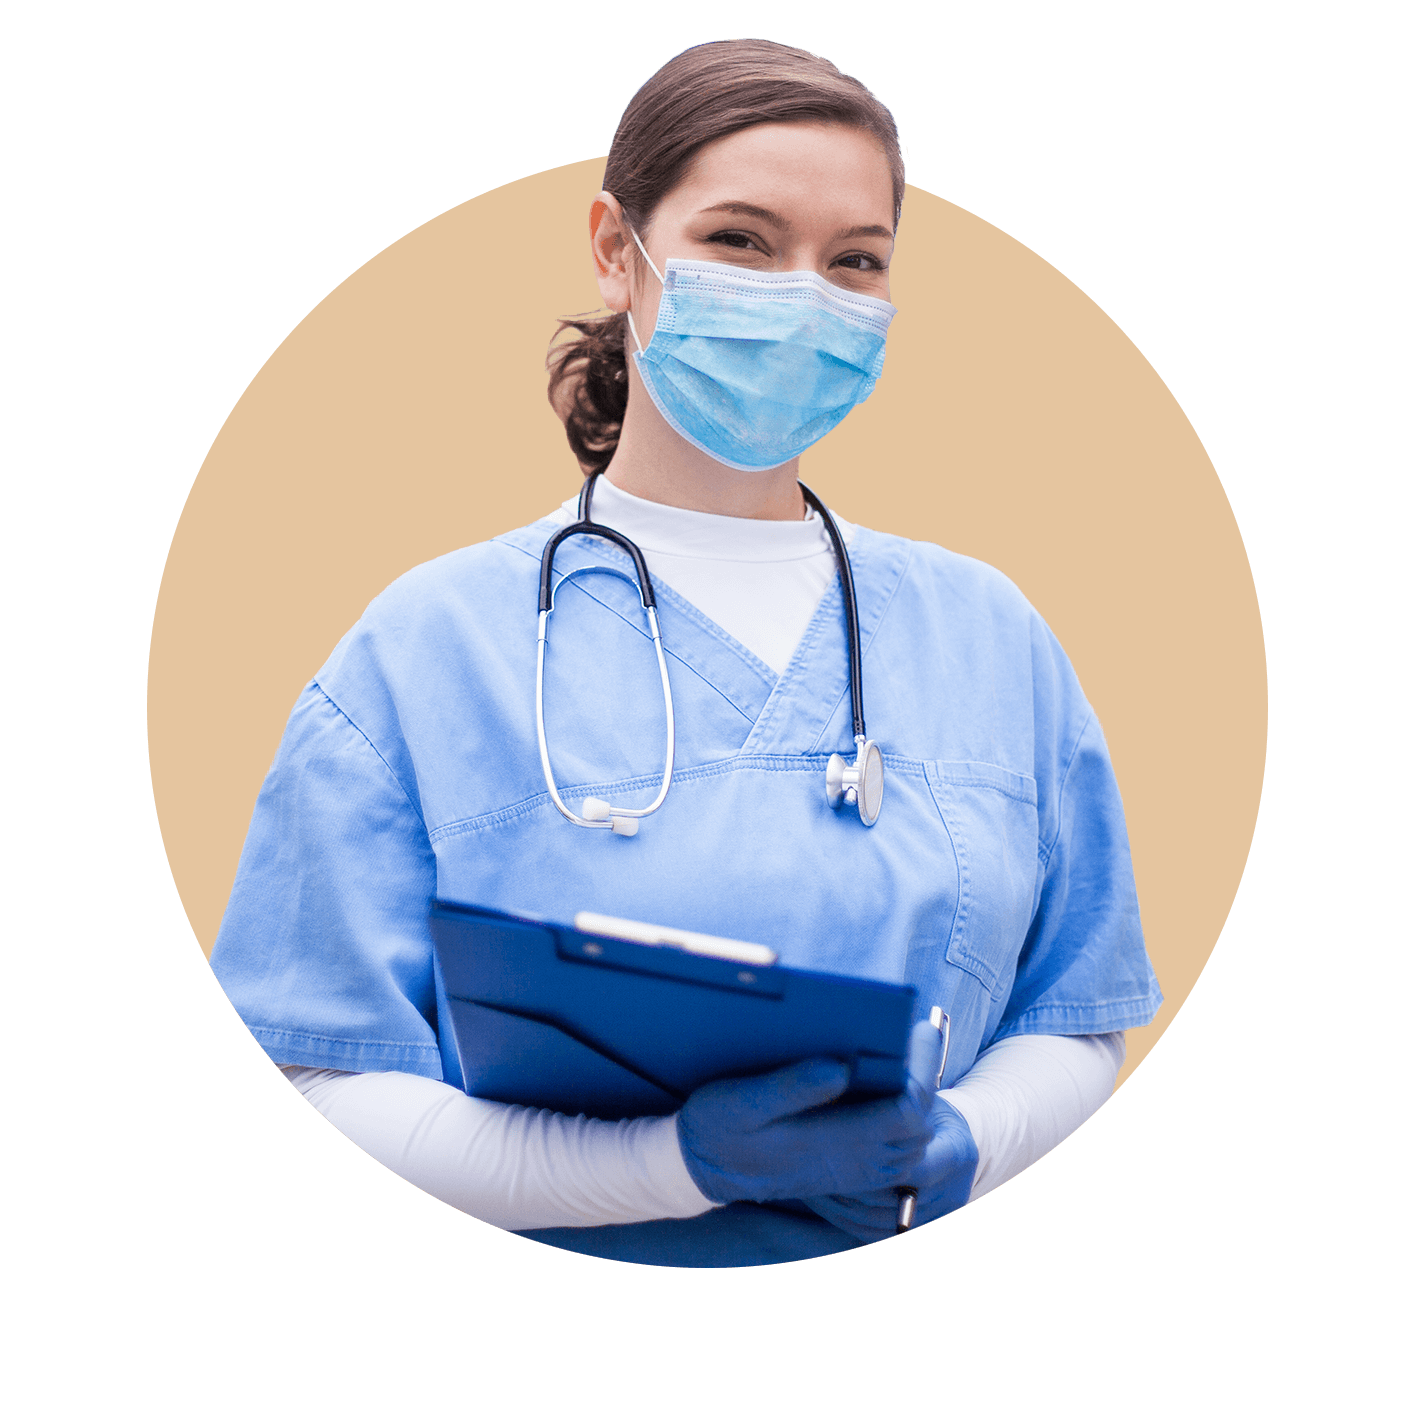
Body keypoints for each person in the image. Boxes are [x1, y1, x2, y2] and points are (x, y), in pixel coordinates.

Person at [210, 39, 1161, 1267]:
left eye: (854, 261)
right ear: (618, 249)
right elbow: (319, 1074)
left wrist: (969, 1140)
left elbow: (1077, 1012)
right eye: (742, 242)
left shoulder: (989, 636)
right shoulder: (422, 651)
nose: (803, 293)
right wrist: (671, 1169)